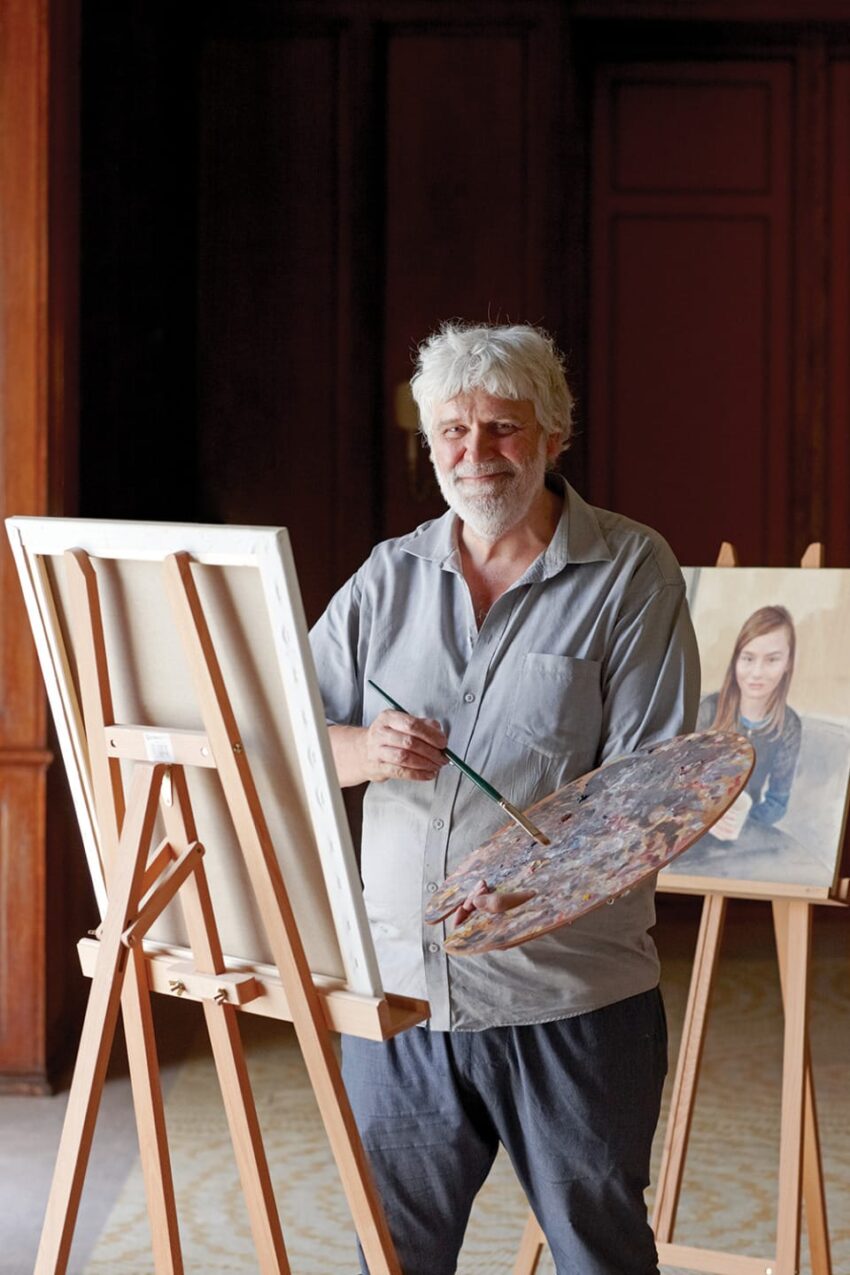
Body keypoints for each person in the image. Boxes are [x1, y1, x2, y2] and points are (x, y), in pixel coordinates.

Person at [309, 321, 700, 1274]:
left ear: (555, 436)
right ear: (429, 443)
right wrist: (360, 747)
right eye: (452, 431)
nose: (474, 454)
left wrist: (535, 891)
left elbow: (653, 791)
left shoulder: (631, 571)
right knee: (392, 1257)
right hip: (401, 997)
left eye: (502, 429)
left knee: (599, 1255)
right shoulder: (384, 577)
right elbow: (282, 739)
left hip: (571, 1000)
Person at [700, 605, 801, 839]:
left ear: (787, 663)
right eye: (748, 658)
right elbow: (679, 787)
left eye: (772, 660)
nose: (757, 672)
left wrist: (745, 823)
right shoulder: (708, 711)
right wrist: (707, 819)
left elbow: (778, 801)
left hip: (745, 832)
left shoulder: (789, 726)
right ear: (736, 660)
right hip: (696, 832)